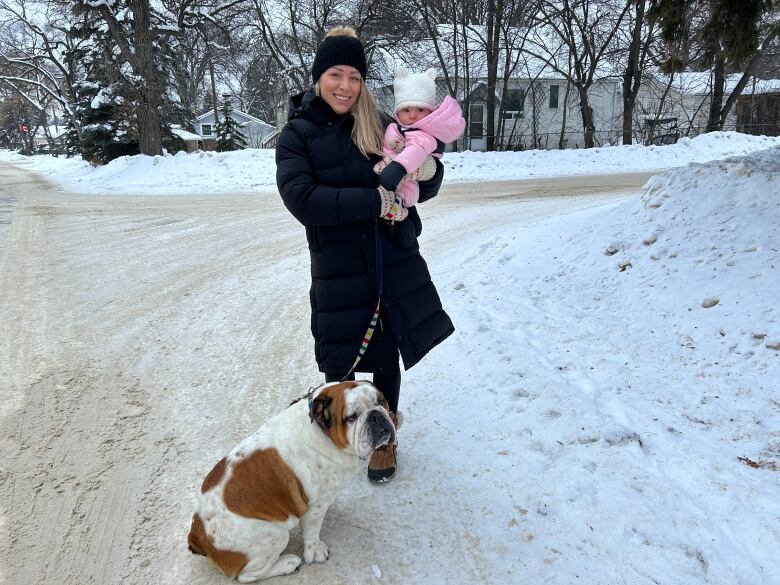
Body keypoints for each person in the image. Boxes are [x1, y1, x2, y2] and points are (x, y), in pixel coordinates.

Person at [275, 26, 454, 483]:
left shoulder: (377, 123)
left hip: (388, 258)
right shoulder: (298, 133)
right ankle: (336, 437)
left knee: (387, 355)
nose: (345, 86)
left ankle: (384, 441)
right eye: (336, 74)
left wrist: (430, 172)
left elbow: (418, 176)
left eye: (355, 76)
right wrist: (372, 201)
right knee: (342, 359)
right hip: (337, 266)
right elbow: (302, 198)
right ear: (319, 78)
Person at [374, 68, 465, 210]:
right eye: (406, 110)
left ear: (430, 111)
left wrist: (399, 167)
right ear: (398, 111)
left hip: (403, 173)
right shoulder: (393, 126)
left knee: (410, 190)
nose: (413, 116)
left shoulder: (423, 133)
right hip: (384, 171)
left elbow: (417, 150)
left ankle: (397, 204)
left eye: (420, 110)